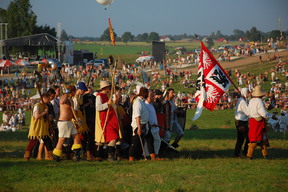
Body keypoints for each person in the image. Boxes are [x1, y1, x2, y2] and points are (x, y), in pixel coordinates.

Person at [53, 85, 82, 162]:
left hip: (70, 122)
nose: (75, 93)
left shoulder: (71, 100)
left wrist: (76, 120)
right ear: (71, 91)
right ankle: (56, 156)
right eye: (74, 91)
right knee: (62, 139)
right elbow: (62, 101)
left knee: (76, 137)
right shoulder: (64, 98)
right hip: (64, 122)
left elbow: (71, 112)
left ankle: (77, 156)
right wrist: (67, 93)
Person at [247, 85, 275, 159]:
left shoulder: (251, 101)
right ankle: (249, 155)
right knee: (255, 140)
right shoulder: (259, 101)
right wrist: (272, 116)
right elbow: (264, 113)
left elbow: (248, 112)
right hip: (258, 122)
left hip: (252, 121)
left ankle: (264, 155)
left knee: (261, 139)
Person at [95, 80, 121, 161]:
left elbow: (114, 107)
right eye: (108, 87)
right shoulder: (99, 96)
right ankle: (110, 155)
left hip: (111, 119)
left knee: (114, 138)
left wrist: (115, 102)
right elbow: (98, 107)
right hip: (105, 120)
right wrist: (107, 104)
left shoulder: (107, 96)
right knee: (113, 137)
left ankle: (109, 155)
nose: (109, 89)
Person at [23, 92, 54, 161]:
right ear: (44, 98)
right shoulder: (37, 106)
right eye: (48, 99)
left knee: (48, 142)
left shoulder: (46, 106)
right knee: (33, 142)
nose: (49, 100)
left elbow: (46, 117)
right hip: (37, 127)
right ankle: (27, 156)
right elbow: (37, 116)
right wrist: (44, 113)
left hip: (43, 128)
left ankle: (51, 156)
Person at [128, 87, 149, 161]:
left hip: (143, 124)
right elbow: (137, 116)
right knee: (135, 141)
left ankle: (137, 156)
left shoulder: (142, 102)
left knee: (141, 142)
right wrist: (139, 128)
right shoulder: (137, 102)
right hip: (138, 125)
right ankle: (131, 157)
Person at [144, 90, 163, 160]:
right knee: (156, 140)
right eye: (152, 96)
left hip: (154, 126)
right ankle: (152, 155)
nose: (154, 97)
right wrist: (150, 124)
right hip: (150, 127)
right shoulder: (146, 105)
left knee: (154, 141)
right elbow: (145, 116)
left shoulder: (151, 104)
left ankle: (149, 155)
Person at [234, 88, 250, 157]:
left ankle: (236, 153)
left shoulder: (241, 100)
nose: (248, 94)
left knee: (240, 139)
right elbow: (247, 112)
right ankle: (245, 152)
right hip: (242, 122)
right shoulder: (242, 102)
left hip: (239, 121)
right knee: (248, 138)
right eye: (247, 92)